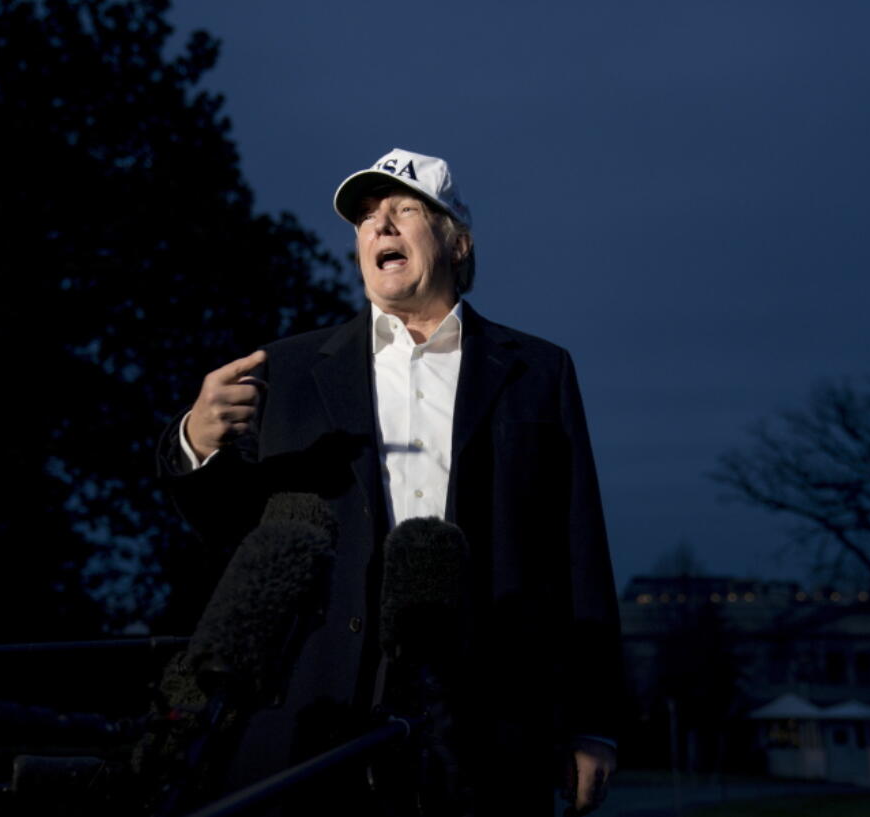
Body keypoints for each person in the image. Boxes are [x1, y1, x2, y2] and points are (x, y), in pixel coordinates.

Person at [158, 147, 622, 816]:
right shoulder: (289, 370)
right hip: (317, 710)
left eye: (405, 209)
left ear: (456, 241)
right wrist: (196, 440)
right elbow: (225, 533)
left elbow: (579, 553)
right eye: (367, 217)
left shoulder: (538, 372)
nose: (382, 225)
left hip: (485, 707)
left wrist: (592, 721)